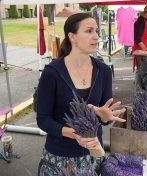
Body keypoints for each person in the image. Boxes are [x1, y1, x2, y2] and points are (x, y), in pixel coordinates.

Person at [36, 13, 126, 175]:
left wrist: (105, 117)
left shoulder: (103, 71)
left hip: (93, 155)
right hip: (59, 158)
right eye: (89, 31)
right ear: (72, 36)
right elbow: (43, 120)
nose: (96, 36)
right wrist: (73, 133)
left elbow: (103, 113)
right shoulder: (52, 73)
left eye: (97, 31)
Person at [132, 4, 147, 92]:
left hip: (143, 52)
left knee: (143, 72)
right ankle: (140, 92)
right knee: (142, 72)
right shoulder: (140, 22)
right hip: (141, 52)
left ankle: (142, 92)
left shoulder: (144, 21)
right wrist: (145, 48)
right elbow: (137, 37)